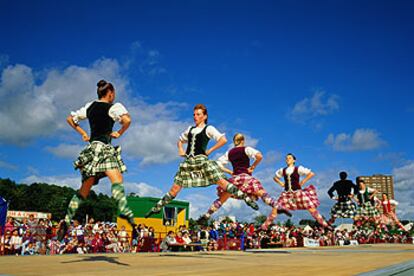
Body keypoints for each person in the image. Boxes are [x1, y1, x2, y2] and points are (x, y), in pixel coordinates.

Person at [145, 104, 258, 218]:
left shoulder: (208, 128)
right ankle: (157, 207)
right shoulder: (190, 129)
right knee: (175, 189)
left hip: (201, 161)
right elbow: (180, 141)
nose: (195, 117)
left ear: (204, 116)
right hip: (188, 162)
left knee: (222, 183)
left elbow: (223, 140)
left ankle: (246, 198)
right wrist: (180, 149)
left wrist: (210, 150)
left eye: (198, 114)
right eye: (194, 114)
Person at [58, 80, 135, 240]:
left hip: (92, 149)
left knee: (84, 190)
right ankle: (124, 211)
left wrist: (82, 133)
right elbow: (127, 120)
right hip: (104, 149)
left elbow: (70, 119)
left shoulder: (90, 106)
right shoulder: (114, 107)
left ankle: (66, 220)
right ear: (111, 93)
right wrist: (119, 132)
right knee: (117, 179)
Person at [200, 133, 291, 228]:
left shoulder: (229, 153)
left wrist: (230, 172)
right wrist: (253, 166)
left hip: (234, 179)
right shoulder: (246, 149)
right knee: (262, 194)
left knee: (222, 199)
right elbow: (259, 156)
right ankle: (277, 206)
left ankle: (207, 215)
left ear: (234, 142)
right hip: (246, 178)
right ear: (243, 141)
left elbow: (218, 164)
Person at [273, 153, 331, 229]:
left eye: (289, 158)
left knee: (311, 208)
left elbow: (311, 174)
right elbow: (275, 178)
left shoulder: (298, 169)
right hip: (287, 193)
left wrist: (303, 181)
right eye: (286, 158)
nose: (287, 160)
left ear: (294, 160)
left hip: (297, 192)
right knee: (275, 208)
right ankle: (266, 226)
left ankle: (325, 224)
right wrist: (281, 183)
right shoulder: (282, 170)